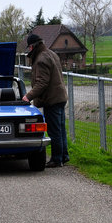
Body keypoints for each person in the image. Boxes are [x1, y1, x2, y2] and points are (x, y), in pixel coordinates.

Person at [22, 33, 69, 167]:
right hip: (60, 97)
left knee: (54, 131)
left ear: (33, 46)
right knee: (60, 129)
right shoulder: (51, 54)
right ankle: (64, 156)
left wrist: (28, 96)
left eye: (29, 47)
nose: (29, 50)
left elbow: (42, 83)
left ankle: (56, 159)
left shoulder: (41, 59)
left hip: (52, 99)